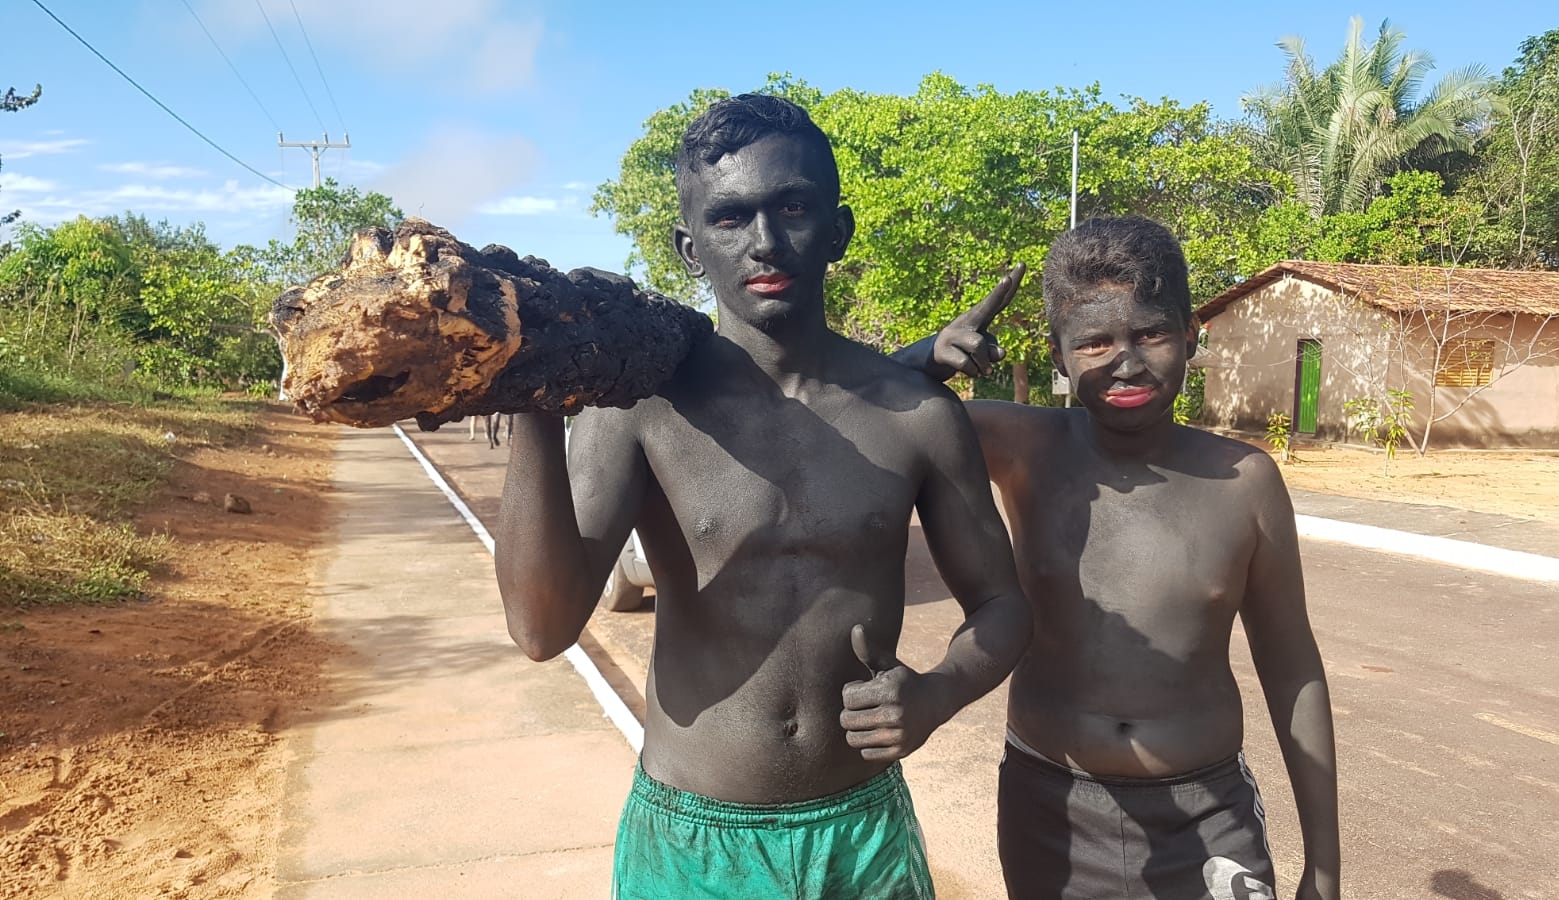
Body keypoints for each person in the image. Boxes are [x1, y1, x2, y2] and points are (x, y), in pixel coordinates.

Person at [494, 94, 1033, 899]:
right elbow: (542, 628)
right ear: (688, 246)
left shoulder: (917, 413)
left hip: (862, 835)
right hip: (690, 841)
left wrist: (938, 692)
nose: (766, 242)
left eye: (792, 207)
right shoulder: (641, 407)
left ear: (839, 229)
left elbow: (1003, 605)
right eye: (730, 218)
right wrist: (533, 390)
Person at [901, 216, 1339, 900]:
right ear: (1058, 354)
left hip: (1207, 818)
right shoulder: (1022, 445)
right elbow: (855, 412)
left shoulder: (1246, 480)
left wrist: (1325, 864)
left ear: (1190, 336)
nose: (1126, 361)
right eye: (1095, 341)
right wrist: (921, 359)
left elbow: (1292, 668)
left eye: (1151, 334)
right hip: (1051, 811)